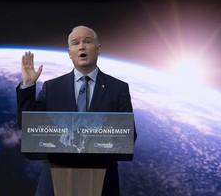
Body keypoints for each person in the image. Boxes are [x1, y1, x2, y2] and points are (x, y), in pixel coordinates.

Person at [16, 25, 137, 196]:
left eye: (87, 41)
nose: (81, 46)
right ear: (69, 52)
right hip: (54, 179)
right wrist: (28, 85)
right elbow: (28, 125)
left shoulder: (118, 89)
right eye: (75, 43)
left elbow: (129, 135)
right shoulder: (52, 87)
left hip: (102, 180)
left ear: (98, 49)